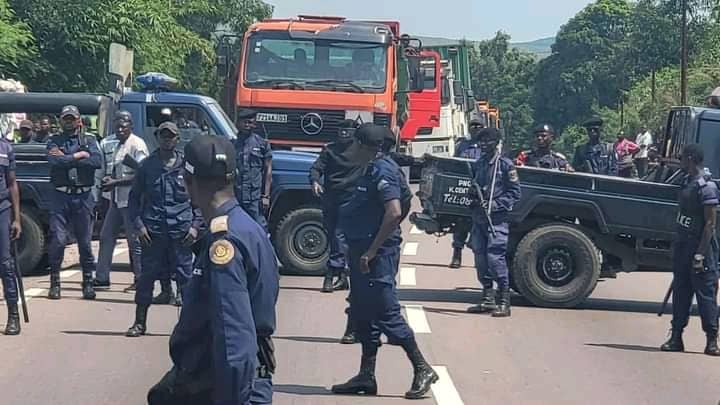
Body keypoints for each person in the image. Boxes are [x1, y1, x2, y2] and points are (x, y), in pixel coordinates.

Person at [147, 135, 279, 405]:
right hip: (231, 382)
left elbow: (234, 338)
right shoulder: (247, 227)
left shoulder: (225, 243)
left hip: (226, 389)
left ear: (187, 182)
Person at [332, 124, 438, 399]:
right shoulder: (370, 168)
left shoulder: (383, 170)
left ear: (366, 146)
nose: (351, 148)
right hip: (362, 251)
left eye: (355, 143)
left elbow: (395, 211)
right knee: (363, 311)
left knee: (386, 311)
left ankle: (422, 367)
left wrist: (374, 248)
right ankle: (366, 376)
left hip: (375, 256)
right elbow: (402, 202)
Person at [126, 122, 202, 337]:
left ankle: (190, 327)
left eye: (171, 136)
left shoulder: (188, 167)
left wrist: (196, 226)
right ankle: (139, 323)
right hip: (154, 232)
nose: (167, 139)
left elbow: (200, 198)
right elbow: (133, 200)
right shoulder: (146, 166)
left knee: (187, 280)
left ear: (178, 139)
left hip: (182, 232)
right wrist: (139, 226)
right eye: (163, 135)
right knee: (146, 279)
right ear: (157, 138)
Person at [660, 144, 720, 356]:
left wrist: (699, 254)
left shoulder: (707, 187)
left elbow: (710, 225)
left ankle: (712, 340)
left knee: (706, 297)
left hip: (700, 250)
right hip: (683, 246)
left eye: (683, 158)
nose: (681, 161)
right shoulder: (685, 181)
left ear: (692, 159)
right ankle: (676, 336)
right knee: (681, 294)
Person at [46, 105, 102, 300]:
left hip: (83, 196)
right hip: (60, 196)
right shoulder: (53, 140)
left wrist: (67, 158)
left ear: (79, 120)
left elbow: (96, 162)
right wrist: (78, 155)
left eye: (72, 118)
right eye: (65, 118)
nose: (69, 122)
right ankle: (55, 283)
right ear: (61, 121)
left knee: (85, 244)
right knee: (58, 240)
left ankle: (88, 282)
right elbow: (55, 162)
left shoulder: (90, 140)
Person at [466, 128, 521, 317]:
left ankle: (504, 301)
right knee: (480, 258)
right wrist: (473, 197)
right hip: (479, 218)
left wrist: (495, 205)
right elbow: (474, 188)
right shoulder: (479, 164)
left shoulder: (504, 165)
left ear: (496, 143)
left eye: (487, 141)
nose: (482, 145)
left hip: (496, 219)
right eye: (480, 141)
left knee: (494, 258)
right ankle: (487, 298)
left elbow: (514, 193)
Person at [93, 111, 148, 291]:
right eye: (117, 125)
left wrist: (116, 182)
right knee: (106, 237)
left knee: (135, 241)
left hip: (132, 200)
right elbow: (101, 171)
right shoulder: (107, 143)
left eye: (124, 126)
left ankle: (140, 280)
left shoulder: (137, 144)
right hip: (114, 200)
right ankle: (102, 279)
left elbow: (143, 175)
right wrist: (99, 195)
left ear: (131, 126)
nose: (120, 129)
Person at [309, 119, 361, 293]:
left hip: (351, 200)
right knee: (332, 235)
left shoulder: (361, 150)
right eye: (341, 130)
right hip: (331, 198)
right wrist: (315, 181)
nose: (344, 133)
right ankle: (343, 276)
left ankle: (331, 273)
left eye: (348, 130)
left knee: (340, 235)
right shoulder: (330, 149)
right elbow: (316, 168)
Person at [450, 118, 485, 269]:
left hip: (483, 189)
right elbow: (455, 164)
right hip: (464, 188)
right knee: (461, 223)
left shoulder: (488, 145)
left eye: (479, 126)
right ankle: (457, 254)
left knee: (481, 225)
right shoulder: (462, 145)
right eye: (473, 126)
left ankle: (480, 261)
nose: (476, 128)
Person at [234, 109, 272, 229]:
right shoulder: (231, 144)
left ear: (254, 124)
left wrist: (265, 196)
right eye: (244, 122)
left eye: (250, 122)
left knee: (259, 230)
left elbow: (268, 171)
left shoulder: (262, 144)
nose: (247, 125)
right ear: (238, 123)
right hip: (236, 196)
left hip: (254, 198)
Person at [0, 134, 22, 335]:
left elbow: (12, 183)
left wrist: (17, 219)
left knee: (6, 264)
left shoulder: (5, 148)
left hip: (2, 209)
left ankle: (13, 315)